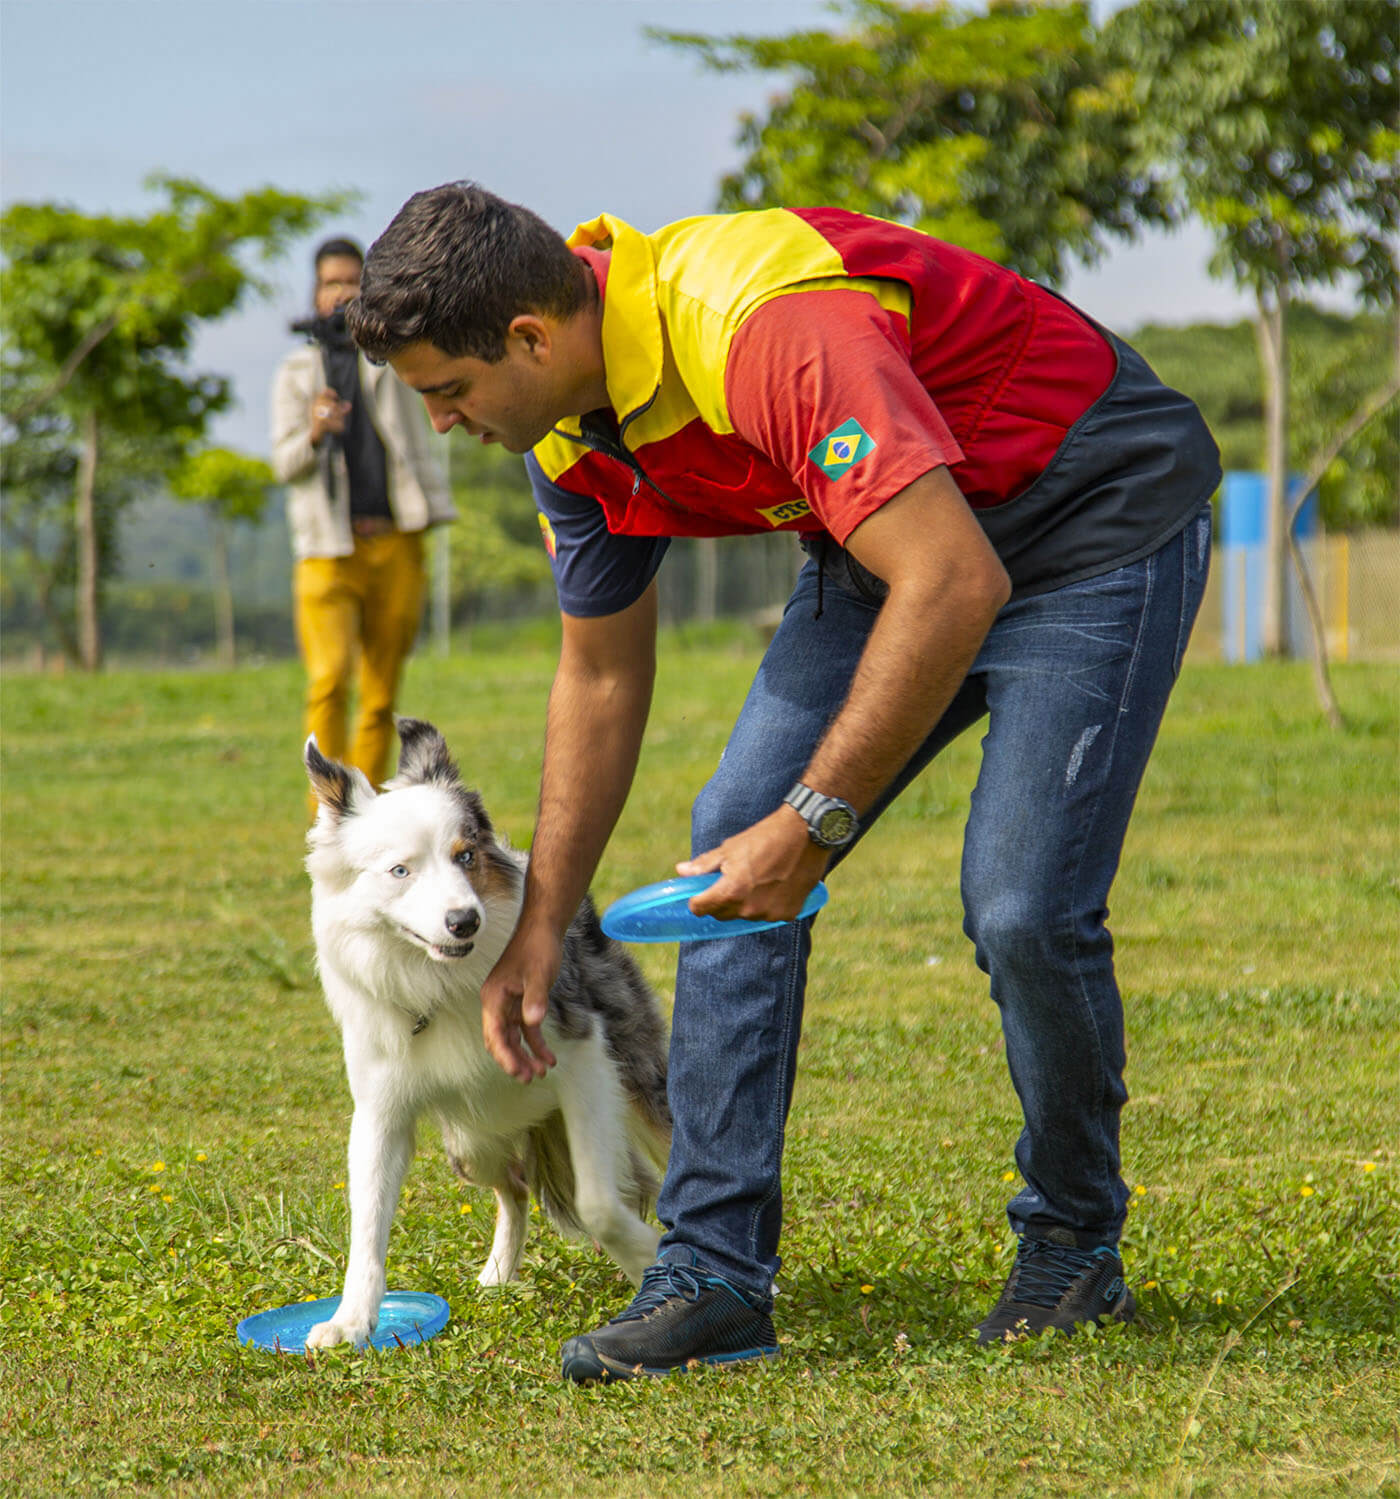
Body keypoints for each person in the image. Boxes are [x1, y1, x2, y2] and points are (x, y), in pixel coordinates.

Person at [346, 183, 1220, 1383]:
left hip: (1087, 517)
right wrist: (536, 927)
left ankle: (1071, 1240)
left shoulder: (761, 326)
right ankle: (711, 1274)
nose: (442, 422)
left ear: (532, 339)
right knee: (723, 857)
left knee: (1020, 906)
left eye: (447, 389)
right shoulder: (563, 426)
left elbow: (952, 582)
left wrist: (810, 824)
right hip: (894, 544)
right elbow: (599, 676)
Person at [270, 236, 455, 792]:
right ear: (316, 291)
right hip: (328, 547)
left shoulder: (394, 356)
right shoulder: (297, 373)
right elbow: (284, 464)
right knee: (328, 681)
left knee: (379, 693)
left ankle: (366, 811)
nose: (342, 293)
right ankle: (326, 814)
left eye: (354, 282)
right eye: (332, 283)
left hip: (395, 539)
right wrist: (314, 430)